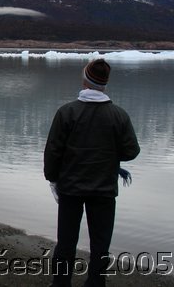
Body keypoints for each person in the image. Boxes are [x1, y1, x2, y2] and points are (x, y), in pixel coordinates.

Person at [44, 58, 140, 286]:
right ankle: (96, 283)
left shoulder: (67, 112)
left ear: (86, 80)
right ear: (104, 84)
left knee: (66, 241)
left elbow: (53, 152)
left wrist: (53, 178)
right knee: (100, 242)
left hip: (70, 188)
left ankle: (61, 283)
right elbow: (131, 151)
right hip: (104, 189)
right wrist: (109, 155)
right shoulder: (118, 115)